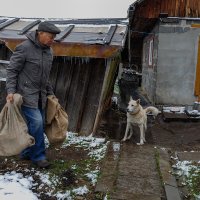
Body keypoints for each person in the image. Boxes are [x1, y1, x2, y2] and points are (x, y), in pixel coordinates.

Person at [6, 21, 61, 168]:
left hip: (41, 96)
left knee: (38, 124)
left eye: (54, 37)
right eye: (50, 36)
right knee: (36, 122)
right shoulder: (24, 48)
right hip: (25, 94)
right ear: (40, 33)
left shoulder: (49, 52)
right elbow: (12, 71)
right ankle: (39, 157)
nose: (52, 40)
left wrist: (51, 94)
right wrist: (10, 91)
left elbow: (45, 77)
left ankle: (25, 152)